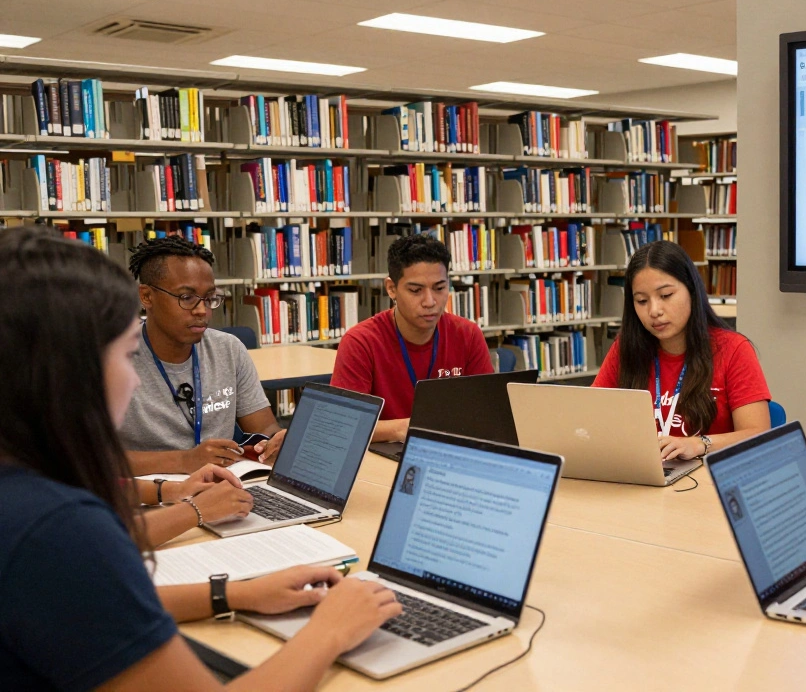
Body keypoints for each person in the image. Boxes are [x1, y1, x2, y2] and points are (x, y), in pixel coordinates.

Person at [0, 226, 402, 690]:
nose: (133, 380)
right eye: (126, 355)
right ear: (66, 368)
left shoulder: (28, 488)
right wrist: (332, 629)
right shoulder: (57, 528)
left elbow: (89, 602)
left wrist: (234, 593)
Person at [120, 237, 286, 475]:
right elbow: (94, 459)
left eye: (209, 298)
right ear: (146, 297)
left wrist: (277, 442)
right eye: (186, 298)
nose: (202, 310)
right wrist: (184, 461)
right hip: (147, 496)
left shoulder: (228, 349)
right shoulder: (110, 359)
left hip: (223, 487)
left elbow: (265, 428)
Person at [593, 240, 771, 460]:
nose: (654, 310)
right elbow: (592, 419)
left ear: (691, 291)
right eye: (641, 301)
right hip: (641, 478)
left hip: (706, 481)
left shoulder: (732, 350)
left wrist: (699, 444)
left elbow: (759, 436)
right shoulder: (625, 349)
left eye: (666, 296)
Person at [331, 234, 493, 443]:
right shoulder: (361, 342)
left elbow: (488, 414)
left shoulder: (468, 335)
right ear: (391, 289)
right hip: (384, 455)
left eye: (439, 288)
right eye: (415, 290)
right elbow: (343, 424)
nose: (430, 301)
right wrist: (401, 429)